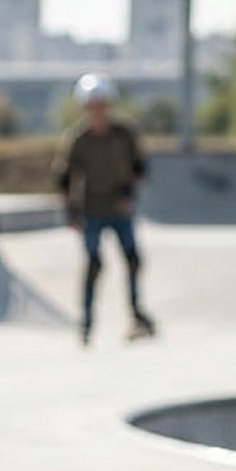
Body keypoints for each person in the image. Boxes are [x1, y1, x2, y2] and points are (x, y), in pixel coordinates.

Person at [54, 74, 157, 345]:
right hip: (92, 209)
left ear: (109, 106)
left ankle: (136, 315)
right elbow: (65, 176)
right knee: (94, 263)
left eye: (102, 106)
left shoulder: (124, 134)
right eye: (93, 107)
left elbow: (139, 168)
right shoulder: (79, 138)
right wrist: (71, 213)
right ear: (85, 108)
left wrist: (128, 193)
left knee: (132, 259)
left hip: (120, 208)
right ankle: (87, 322)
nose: (98, 112)